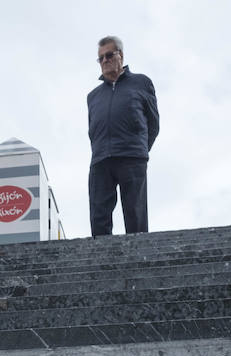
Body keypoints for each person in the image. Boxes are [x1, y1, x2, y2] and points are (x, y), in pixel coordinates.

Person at [87, 35, 159, 236]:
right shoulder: (92, 97)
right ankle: (102, 260)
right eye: (100, 58)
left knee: (135, 214)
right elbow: (92, 129)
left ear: (121, 55)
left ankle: (137, 261)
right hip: (101, 159)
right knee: (98, 216)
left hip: (132, 157)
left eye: (109, 55)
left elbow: (153, 124)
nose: (104, 61)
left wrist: (140, 149)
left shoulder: (142, 83)